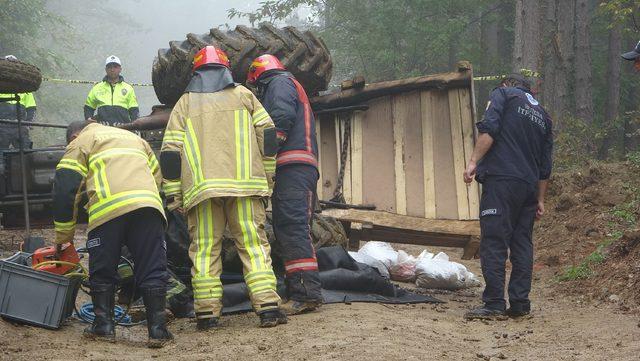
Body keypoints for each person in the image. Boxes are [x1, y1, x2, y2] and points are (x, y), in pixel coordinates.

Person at [160, 45, 286, 331]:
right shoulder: (244, 95)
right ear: (227, 69)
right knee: (253, 245)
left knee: (204, 250)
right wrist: (268, 180)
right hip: (246, 187)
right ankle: (267, 308)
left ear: (196, 72)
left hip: (202, 192)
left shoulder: (185, 103)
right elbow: (268, 137)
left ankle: (206, 315)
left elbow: (169, 153)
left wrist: (174, 194)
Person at [52, 120, 172, 347]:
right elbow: (157, 178)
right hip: (148, 207)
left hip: (108, 210)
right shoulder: (137, 139)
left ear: (73, 136)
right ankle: (158, 330)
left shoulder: (82, 141)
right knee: (153, 267)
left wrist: (64, 236)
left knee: (104, 269)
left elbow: (65, 188)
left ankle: (104, 326)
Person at [463, 74, 553, 320]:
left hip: (502, 179)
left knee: (494, 240)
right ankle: (520, 303)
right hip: (529, 187)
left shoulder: (503, 94)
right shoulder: (544, 116)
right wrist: (541, 199)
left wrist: (473, 162)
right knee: (522, 244)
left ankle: (493, 303)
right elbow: (546, 166)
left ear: (506, 84)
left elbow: (489, 130)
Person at [246, 54, 323, 315]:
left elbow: (279, 117)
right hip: (296, 167)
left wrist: (265, 149)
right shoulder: (287, 82)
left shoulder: (279, 83)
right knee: (290, 225)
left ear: (259, 76)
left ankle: (305, 295)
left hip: (293, 166)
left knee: (292, 226)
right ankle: (300, 291)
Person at [84, 55, 139, 126]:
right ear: (106, 69)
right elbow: (88, 107)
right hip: (102, 128)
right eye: (109, 67)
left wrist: (134, 125)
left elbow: (134, 109)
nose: (112, 69)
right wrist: (88, 118)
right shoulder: (97, 87)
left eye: (115, 67)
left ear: (120, 69)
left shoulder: (128, 88)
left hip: (123, 129)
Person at [0, 55, 36, 149]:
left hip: (19, 126)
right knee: (1, 153)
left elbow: (31, 108)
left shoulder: (24, 89)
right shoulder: (1, 86)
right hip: (2, 126)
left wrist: (28, 123)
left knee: (25, 151)